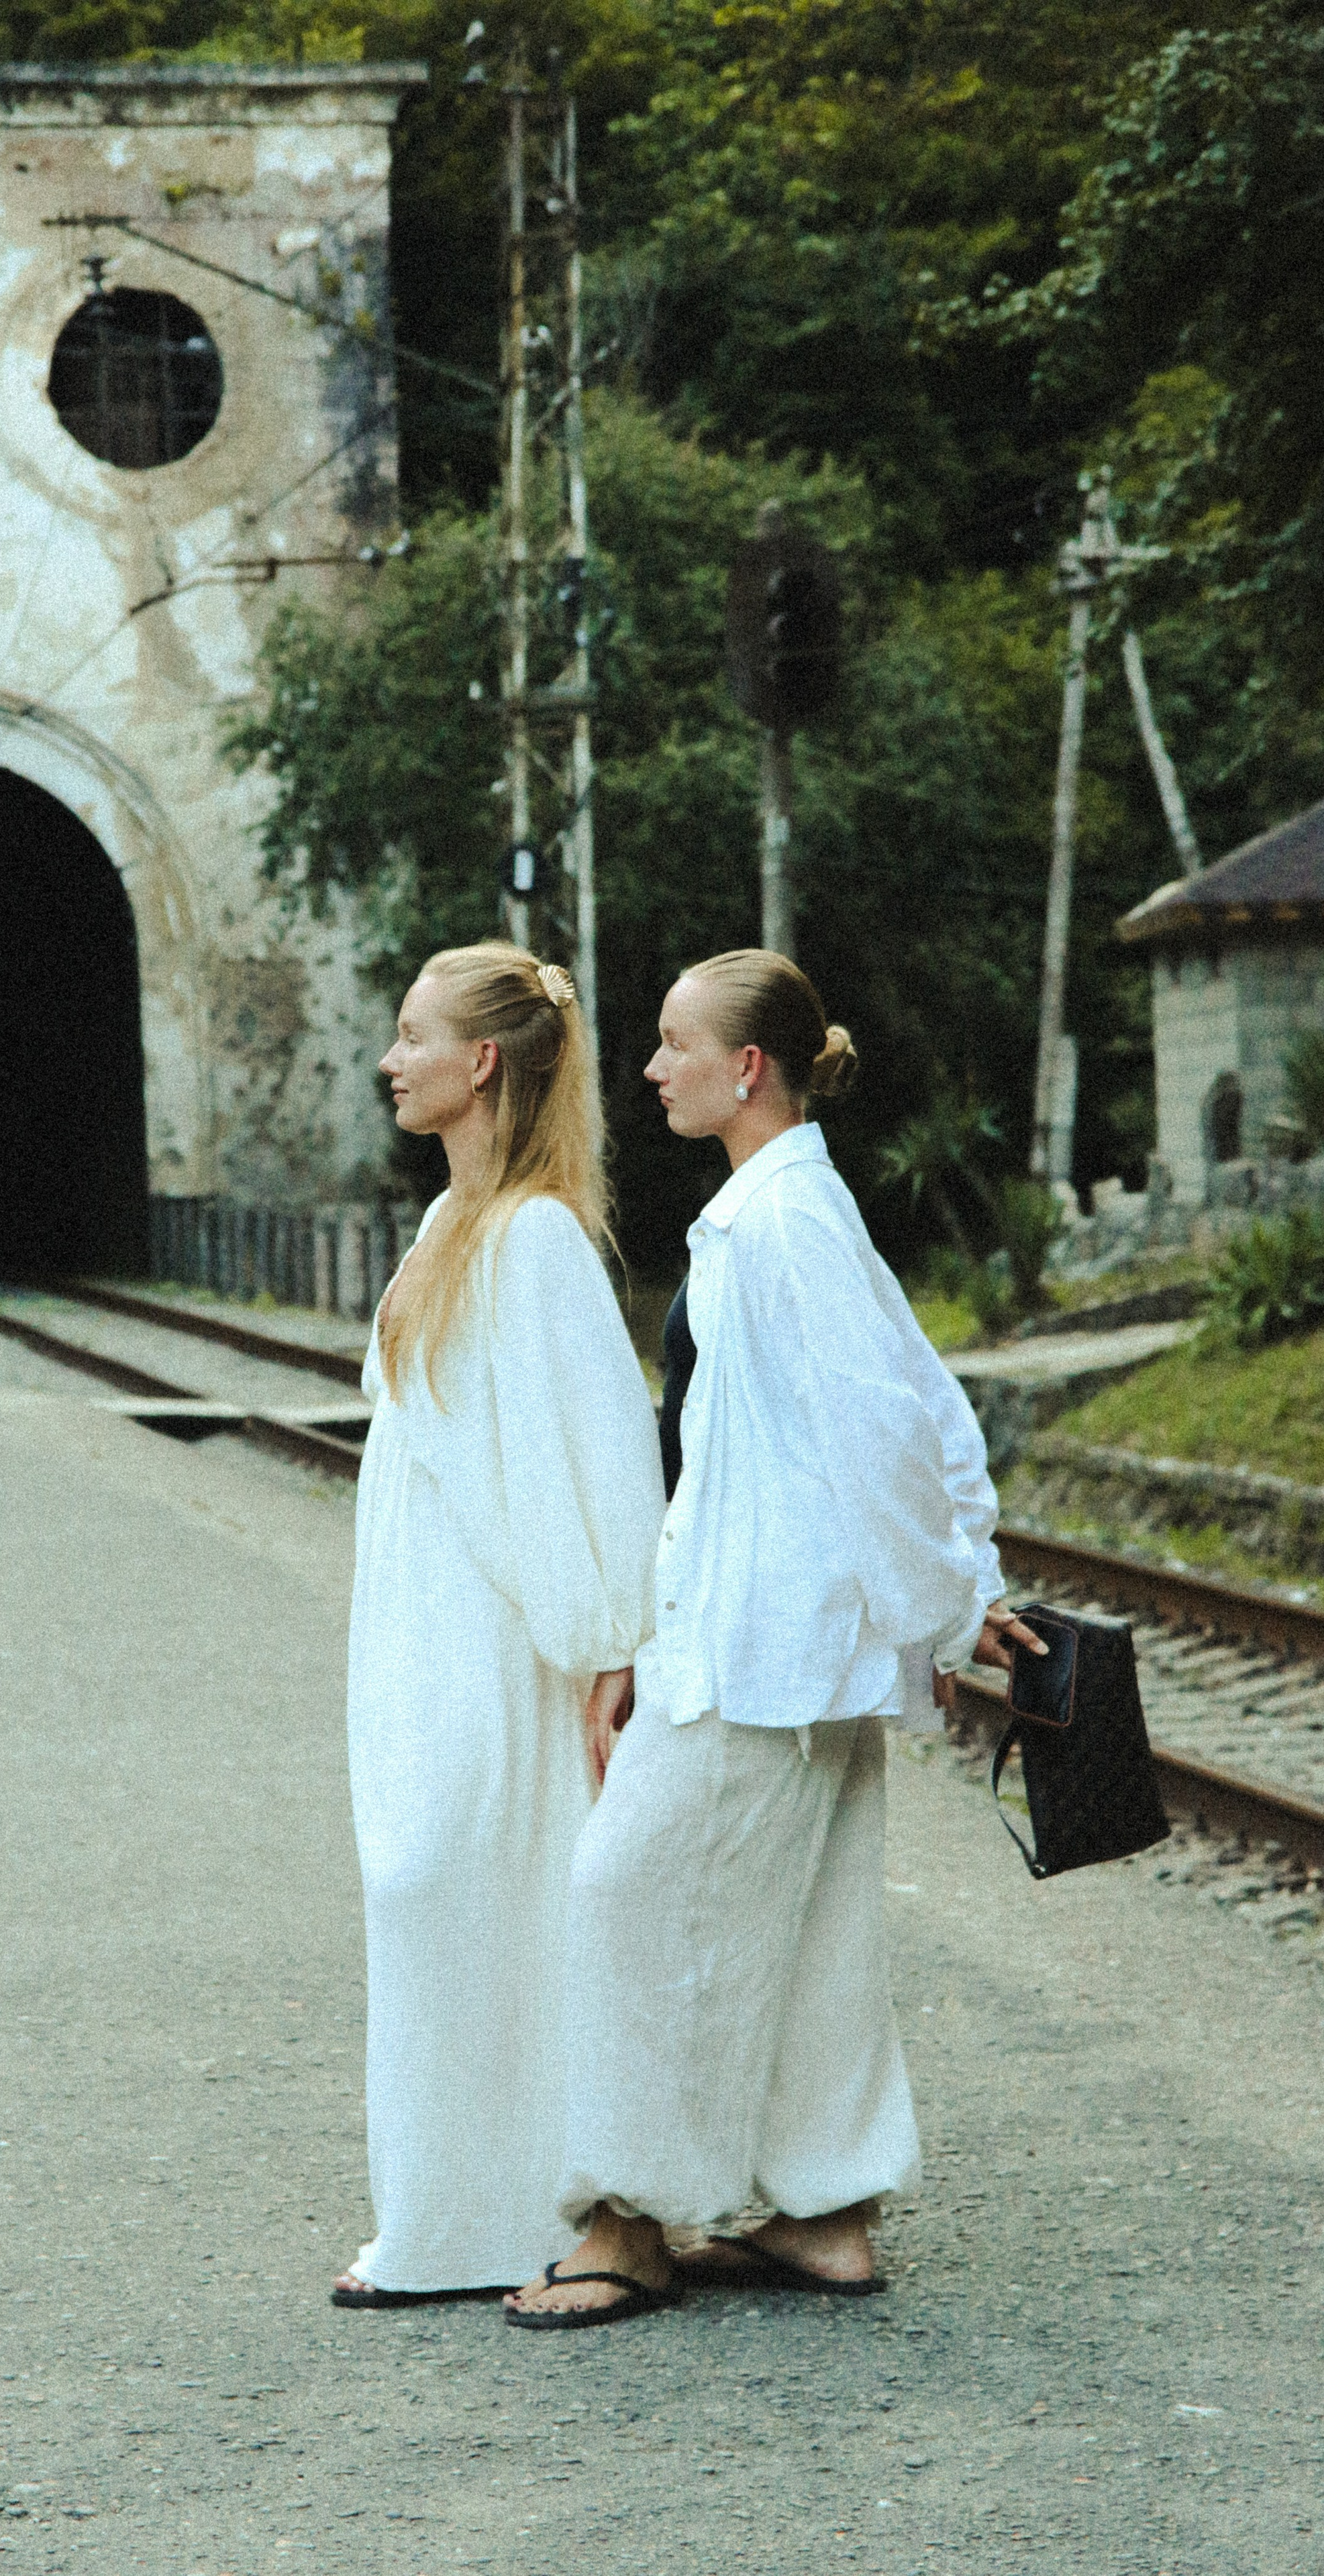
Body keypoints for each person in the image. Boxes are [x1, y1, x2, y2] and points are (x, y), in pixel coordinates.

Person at [507, 947, 1043, 2328]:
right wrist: (954, 1583)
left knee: (630, 1898)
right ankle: (821, 2216)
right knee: (807, 1933)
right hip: (783, 1642)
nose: (648, 1067)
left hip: (761, 1655)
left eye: (673, 1044)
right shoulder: (780, 1211)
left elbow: (885, 1427)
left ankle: (627, 2223)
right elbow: (920, 1403)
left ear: (745, 1068)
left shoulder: (784, 1225)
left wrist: (943, 1599)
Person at [333, 941, 666, 2308]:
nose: (389, 1058)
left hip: (504, 1635)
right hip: (420, 1620)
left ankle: (534, 2209)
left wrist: (613, 1644)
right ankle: (443, 2221)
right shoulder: (440, 1226)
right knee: (429, 1894)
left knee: (472, 1890)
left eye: (413, 1036)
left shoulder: (535, 1238)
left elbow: (603, 1457)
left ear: (480, 1063)